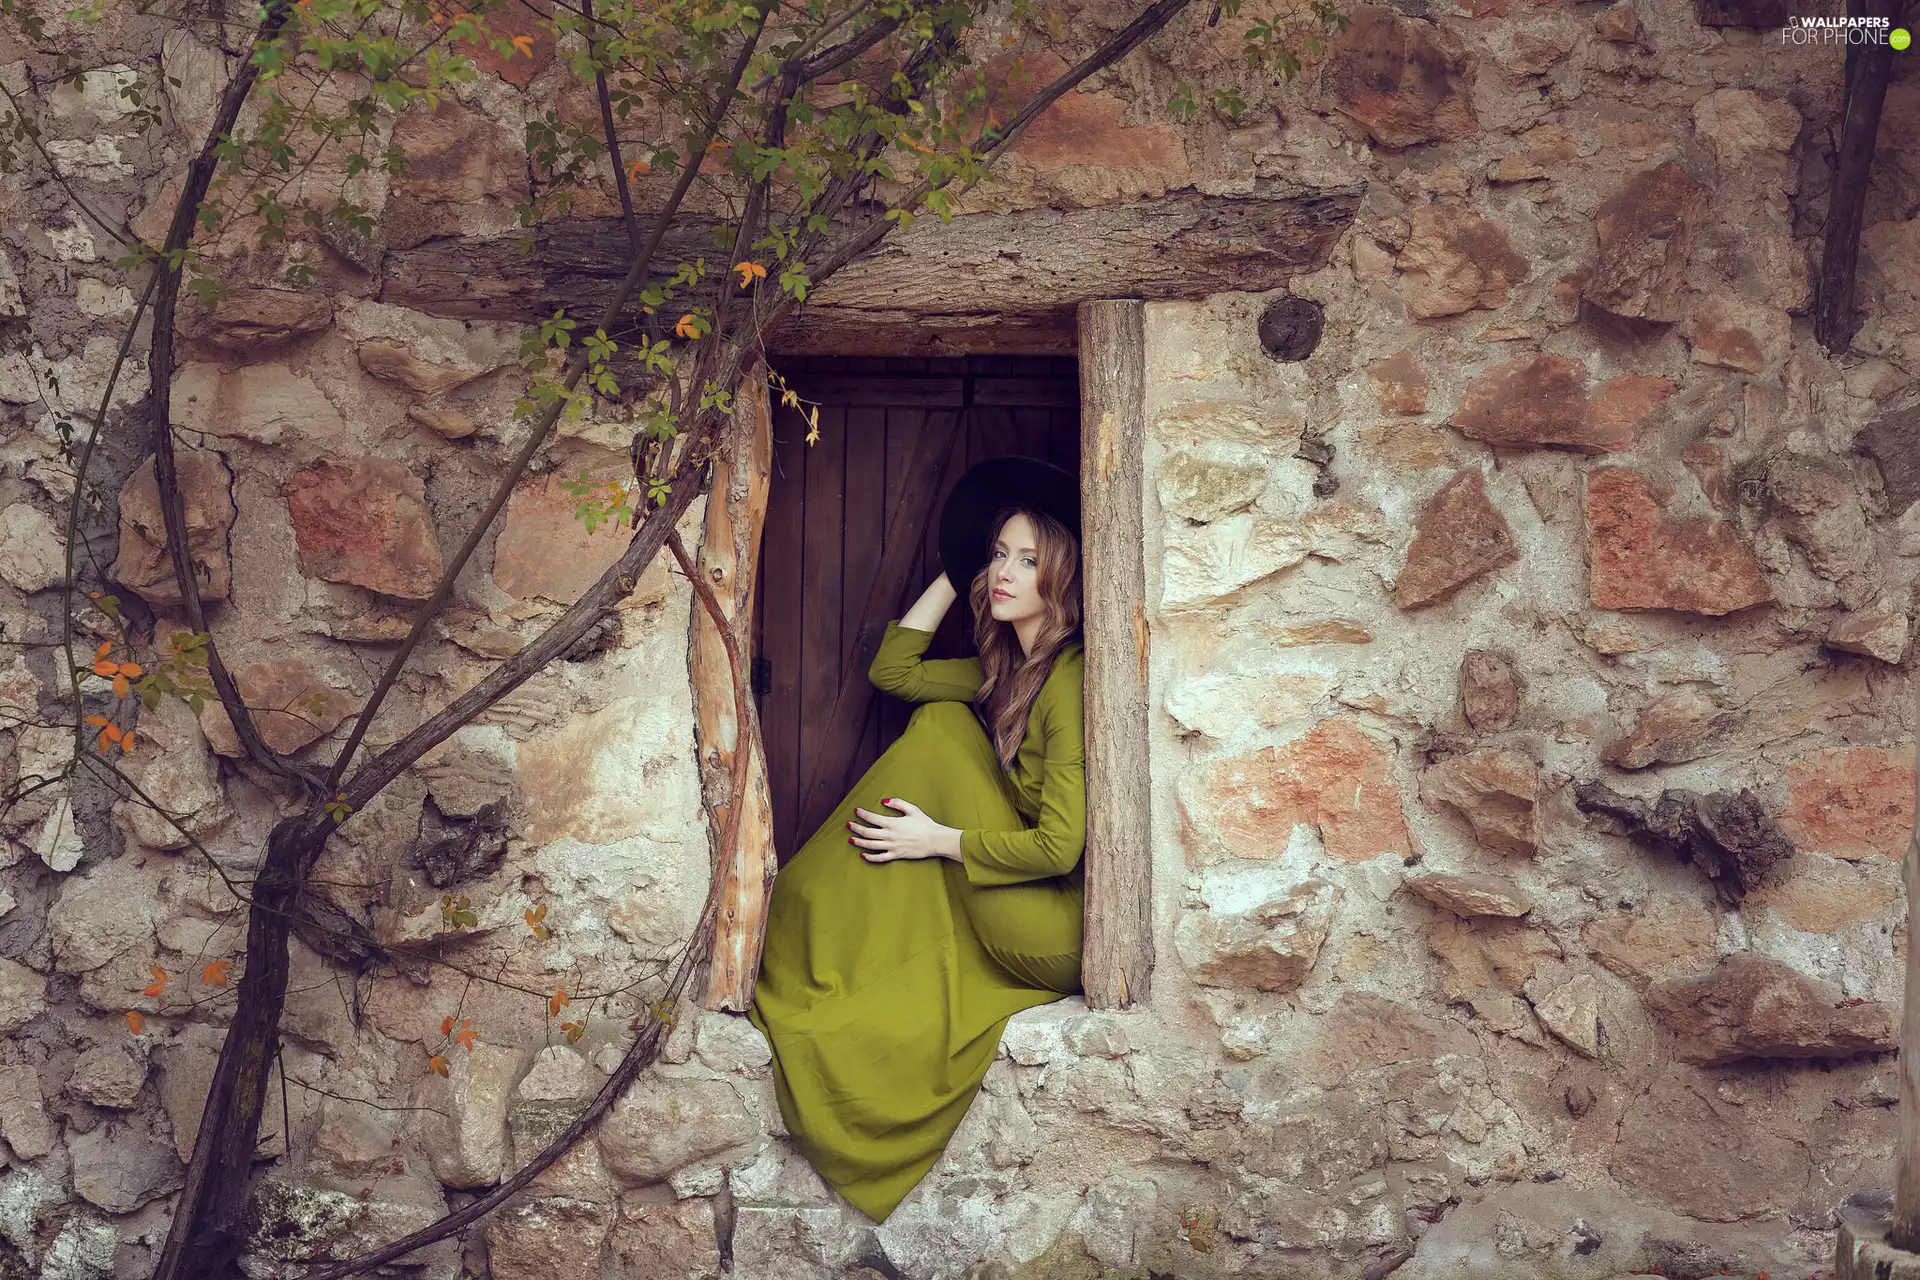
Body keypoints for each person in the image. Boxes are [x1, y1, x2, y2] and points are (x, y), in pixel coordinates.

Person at [746, 456, 1088, 1223]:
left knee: (939, 732)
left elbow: (1061, 848)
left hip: (1050, 923)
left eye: (1028, 560)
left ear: (1061, 575)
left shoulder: (1067, 680)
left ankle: (803, 911)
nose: (1006, 572)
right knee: (936, 713)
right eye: (999, 554)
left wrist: (942, 842)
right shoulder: (1005, 670)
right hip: (1009, 897)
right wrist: (954, 563)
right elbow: (893, 669)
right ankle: (805, 913)